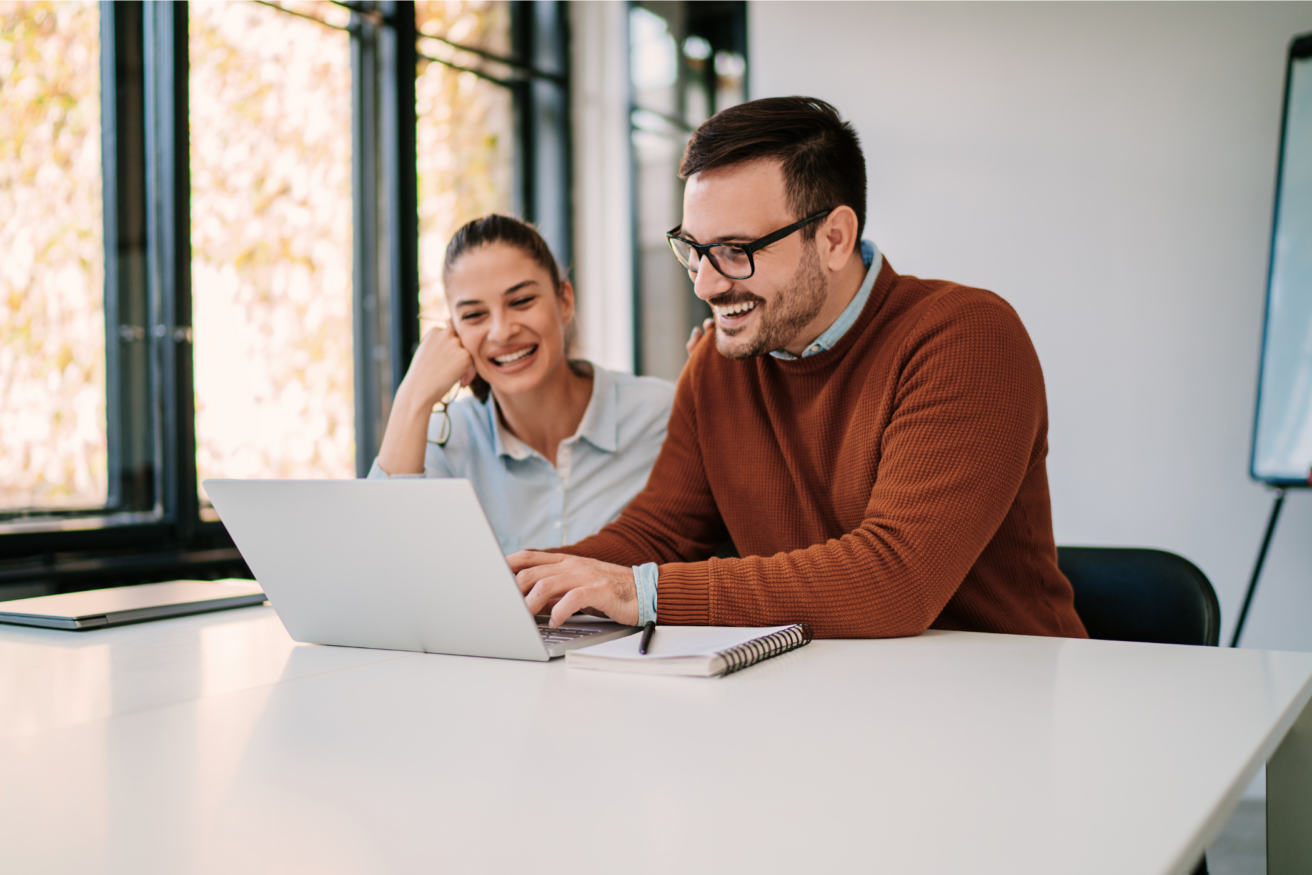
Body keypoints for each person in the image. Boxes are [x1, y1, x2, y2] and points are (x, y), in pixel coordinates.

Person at [511, 97, 1088, 640]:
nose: (707, 284)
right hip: (822, 699)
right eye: (694, 249)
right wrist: (526, 584)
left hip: (1005, 703)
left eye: (737, 251)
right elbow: (661, 534)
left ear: (834, 238)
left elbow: (895, 578)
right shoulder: (719, 361)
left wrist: (641, 592)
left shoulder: (964, 337)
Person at [369, 215, 675, 555]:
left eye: (521, 301)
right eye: (474, 315)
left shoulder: (663, 415)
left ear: (564, 302)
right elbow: (380, 560)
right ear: (454, 332)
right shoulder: (446, 438)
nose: (501, 331)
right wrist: (413, 396)